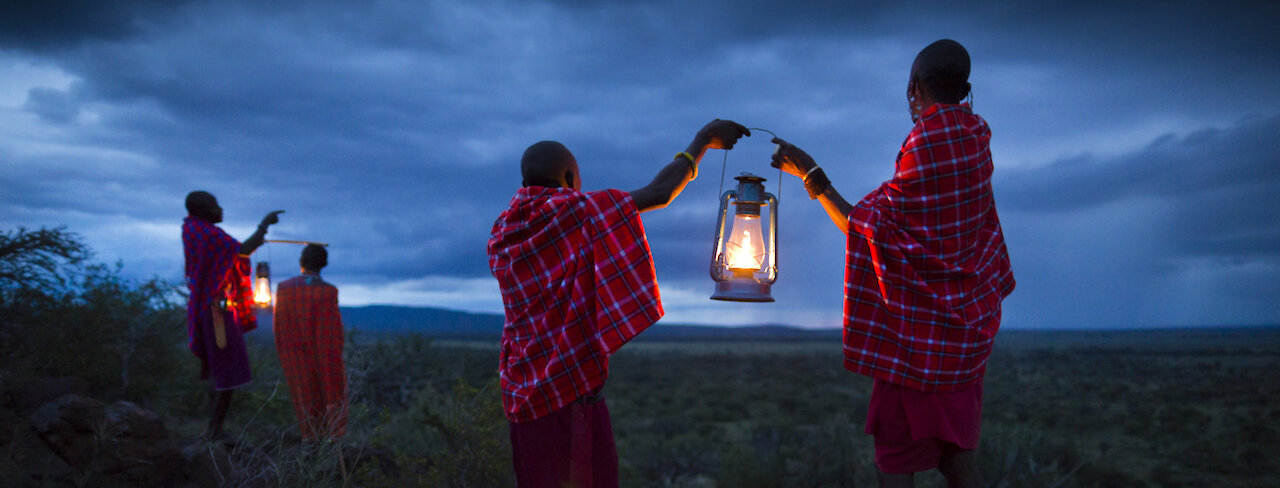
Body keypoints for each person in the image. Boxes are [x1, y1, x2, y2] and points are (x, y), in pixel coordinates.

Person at [770, 39, 1015, 488]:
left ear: (914, 89)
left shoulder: (927, 142)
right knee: (960, 463)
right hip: (962, 346)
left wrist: (810, 173)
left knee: (896, 466)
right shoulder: (978, 144)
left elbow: (867, 228)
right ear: (966, 89)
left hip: (914, 346)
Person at [488, 119, 750, 488]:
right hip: (570, 396)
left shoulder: (502, 232)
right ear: (568, 177)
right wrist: (702, 142)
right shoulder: (575, 212)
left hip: (522, 397)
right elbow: (660, 192)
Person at [182, 190, 283, 442]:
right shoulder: (205, 233)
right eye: (215, 206)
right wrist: (264, 225)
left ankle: (214, 428)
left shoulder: (195, 231)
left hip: (210, 307)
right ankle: (214, 431)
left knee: (220, 370)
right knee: (226, 370)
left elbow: (230, 255)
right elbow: (241, 251)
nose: (221, 210)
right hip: (218, 312)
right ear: (203, 210)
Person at [273, 244, 348, 442]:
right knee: (327, 394)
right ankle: (329, 440)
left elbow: (280, 328)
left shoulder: (284, 289)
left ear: (301, 262)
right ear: (324, 264)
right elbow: (333, 333)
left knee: (304, 396)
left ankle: (310, 440)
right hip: (324, 358)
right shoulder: (328, 292)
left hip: (294, 357)